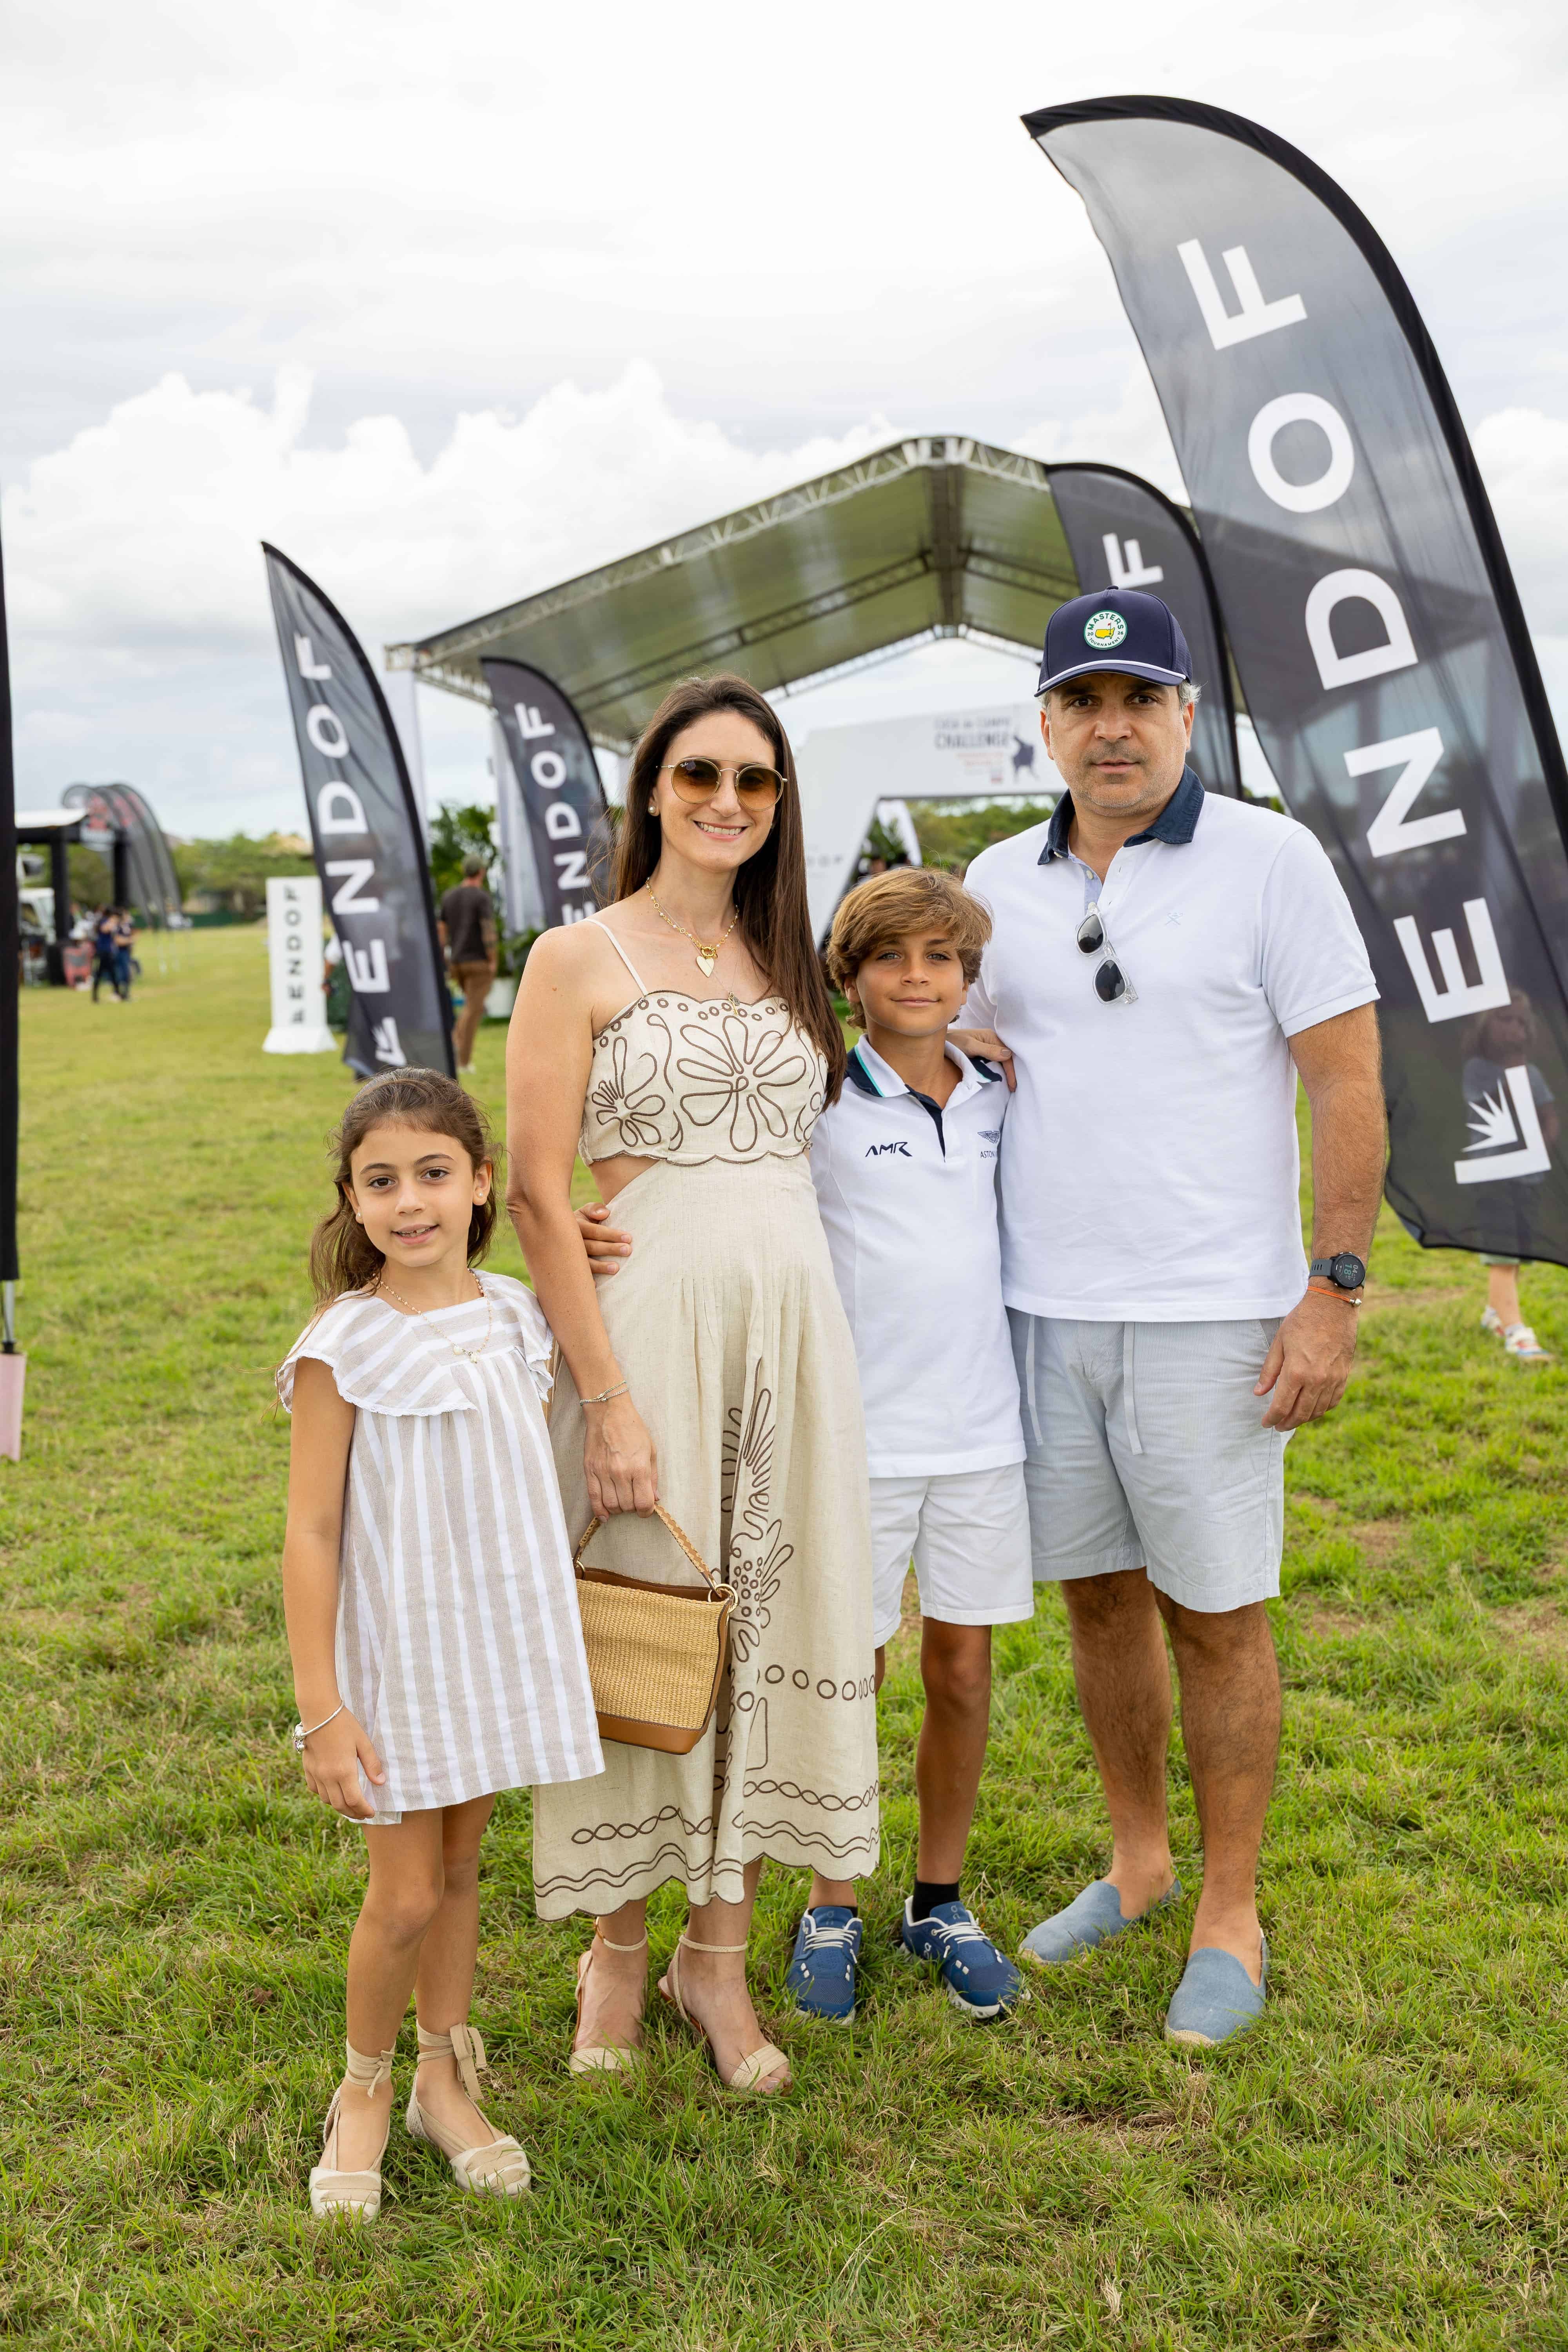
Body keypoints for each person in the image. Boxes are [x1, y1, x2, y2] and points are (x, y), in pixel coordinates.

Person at [955, 587, 1386, 2048]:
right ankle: (1136, 1858)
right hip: (1037, 1307)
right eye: (1080, 703)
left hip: (1212, 1314)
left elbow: (1342, 1079)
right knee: (1094, 1601)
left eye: (1136, 698)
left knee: (1215, 1614)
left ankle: (1226, 1905)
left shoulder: (1270, 859)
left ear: (1186, 715)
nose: (1109, 726)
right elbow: (952, 1039)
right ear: (1045, 727)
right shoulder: (993, 879)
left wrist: (1330, 1292)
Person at [507, 671, 878, 2097]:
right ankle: (613, 1948)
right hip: (646, 1330)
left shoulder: (788, 958)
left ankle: (711, 1964)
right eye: (700, 774)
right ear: (652, 789)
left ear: (780, 804)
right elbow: (538, 1192)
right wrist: (604, 1399)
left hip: (794, 1332)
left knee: (766, 1629)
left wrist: (955, 1047)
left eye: (756, 781)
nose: (727, 801)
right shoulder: (575, 956)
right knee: (645, 1627)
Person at [277, 1068, 601, 2218]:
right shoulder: (345, 1342)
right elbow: (312, 1531)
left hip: (497, 1644)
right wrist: (325, 1707)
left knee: (464, 1869)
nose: (408, 1200)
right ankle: (362, 2087)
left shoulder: (518, 1311)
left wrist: (588, 1245)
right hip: (400, 1659)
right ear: (352, 1200)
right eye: (380, 1180)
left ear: (477, 1185)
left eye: (431, 1173)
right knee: (404, 1891)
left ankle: (440, 2078)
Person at [799, 866, 1029, 2024]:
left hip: (981, 1432)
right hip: (861, 1438)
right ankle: (830, 1900)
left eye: (941, 958)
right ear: (849, 977)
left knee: (963, 1668)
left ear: (965, 975)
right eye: (892, 957)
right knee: (850, 1670)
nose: (917, 977)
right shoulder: (817, 1098)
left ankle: (936, 1896)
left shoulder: (997, 1084)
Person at [1463, 992, 1558, 1365]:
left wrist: (1546, 1143)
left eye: (1521, 1022)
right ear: (1487, 1025)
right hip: (1494, 1176)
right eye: (1505, 1019)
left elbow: (1548, 1113)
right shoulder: (1478, 1069)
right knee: (1503, 1253)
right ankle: (1517, 1331)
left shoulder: (1531, 1072)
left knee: (1516, 1251)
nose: (1514, 1028)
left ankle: (1495, 1312)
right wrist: (1514, 1068)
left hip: (1527, 1177)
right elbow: (1491, 1106)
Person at [438, 853, 498, 1074]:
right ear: (481, 872)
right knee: (473, 1010)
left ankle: (455, 1044)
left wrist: (445, 958)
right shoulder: (481, 897)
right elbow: (488, 930)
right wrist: (493, 959)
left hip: (457, 963)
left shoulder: (449, 897)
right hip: (478, 962)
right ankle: (462, 1061)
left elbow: (441, 930)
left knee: (469, 1007)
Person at [91, 906, 120, 1002]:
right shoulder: (104, 921)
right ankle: (96, 996)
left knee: (112, 973)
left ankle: (117, 993)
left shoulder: (109, 922)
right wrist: (112, 922)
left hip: (108, 951)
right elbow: (105, 929)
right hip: (104, 952)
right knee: (101, 974)